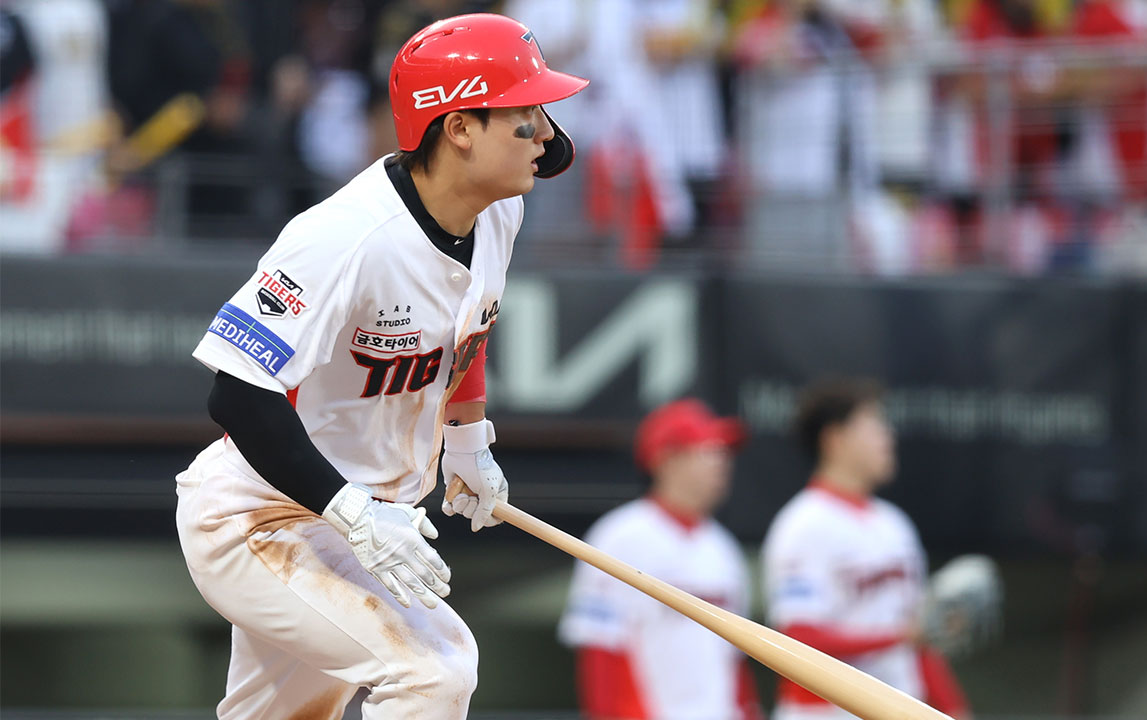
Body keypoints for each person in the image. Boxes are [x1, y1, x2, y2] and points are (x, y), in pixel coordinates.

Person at [173, 13, 588, 719]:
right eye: (526, 113)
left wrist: (467, 439)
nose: (546, 133)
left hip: (354, 517)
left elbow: (467, 329)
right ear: (459, 127)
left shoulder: (498, 212)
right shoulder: (344, 236)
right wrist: (352, 512)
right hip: (263, 516)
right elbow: (236, 394)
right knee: (434, 673)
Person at [762, 379, 969, 719]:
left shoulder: (895, 524)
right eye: (875, 426)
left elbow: (921, 641)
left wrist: (954, 709)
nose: (889, 436)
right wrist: (899, 637)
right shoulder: (803, 524)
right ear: (835, 439)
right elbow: (798, 640)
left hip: (899, 707)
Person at [559, 398, 761, 720]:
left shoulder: (723, 547)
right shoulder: (619, 536)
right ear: (665, 459)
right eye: (708, 450)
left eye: (724, 452)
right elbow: (602, 653)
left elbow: (733, 662)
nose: (722, 462)